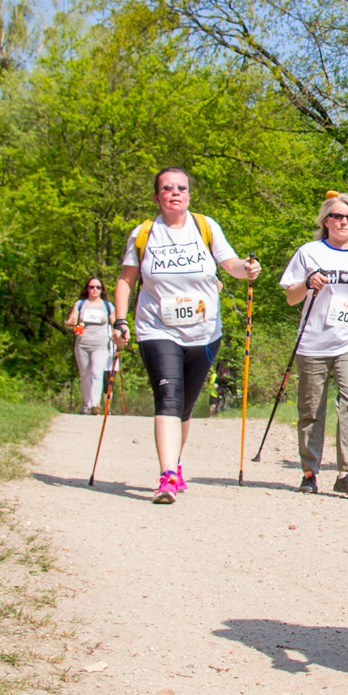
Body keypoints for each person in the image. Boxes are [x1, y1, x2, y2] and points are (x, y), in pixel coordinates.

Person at [111, 166, 261, 505]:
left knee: (185, 406)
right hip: (156, 327)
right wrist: (120, 320)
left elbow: (231, 264)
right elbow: (126, 280)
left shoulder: (206, 227)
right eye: (167, 188)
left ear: (189, 194)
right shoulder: (144, 233)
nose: (175, 192)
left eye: (181, 187)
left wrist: (248, 269)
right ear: (156, 196)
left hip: (204, 331)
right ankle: (167, 475)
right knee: (168, 396)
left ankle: (175, 462)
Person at [279, 191, 348, 496]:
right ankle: (310, 472)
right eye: (336, 216)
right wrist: (307, 283)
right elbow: (291, 297)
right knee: (311, 408)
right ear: (326, 221)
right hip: (313, 341)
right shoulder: (309, 252)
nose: (343, 222)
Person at [66, 276, 114, 414]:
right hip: (82, 344)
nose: (94, 290)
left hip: (101, 344)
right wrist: (74, 324)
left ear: (101, 290)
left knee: (97, 373)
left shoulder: (107, 306)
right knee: (85, 374)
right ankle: (86, 404)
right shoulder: (80, 304)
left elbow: (115, 323)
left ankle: (95, 404)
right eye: (92, 287)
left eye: (98, 287)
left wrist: (119, 335)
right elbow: (71, 321)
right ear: (87, 289)